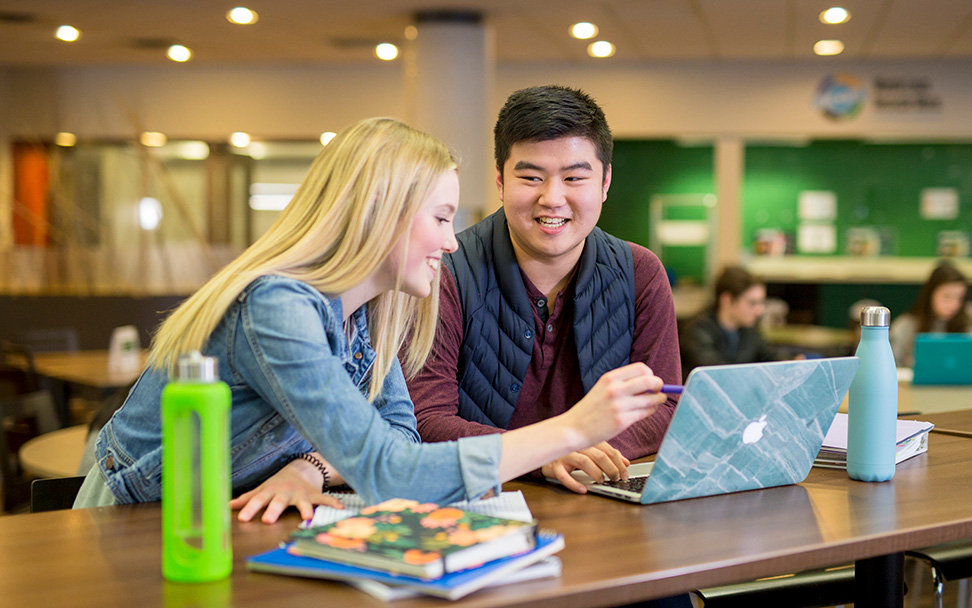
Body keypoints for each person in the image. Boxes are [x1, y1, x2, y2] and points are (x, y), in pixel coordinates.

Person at [72, 117, 667, 524]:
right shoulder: (276, 306)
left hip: (237, 515)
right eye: (439, 218)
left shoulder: (375, 311)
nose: (452, 242)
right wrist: (571, 430)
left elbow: (398, 437)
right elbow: (389, 470)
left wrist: (307, 469)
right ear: (380, 216)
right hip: (140, 522)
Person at [407, 85, 682, 493]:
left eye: (574, 177)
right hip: (482, 499)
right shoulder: (444, 270)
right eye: (531, 177)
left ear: (604, 182)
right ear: (500, 181)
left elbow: (663, 404)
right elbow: (425, 418)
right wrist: (545, 451)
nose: (552, 198)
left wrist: (584, 453)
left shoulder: (640, 272)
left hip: (599, 494)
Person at [678, 266, 782, 379]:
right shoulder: (696, 330)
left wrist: (791, 361)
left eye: (761, 302)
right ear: (727, 300)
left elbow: (768, 355)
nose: (759, 310)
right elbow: (718, 374)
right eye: (752, 303)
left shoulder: (748, 329)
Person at [890, 260, 972, 368]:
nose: (954, 304)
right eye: (947, 296)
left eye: (960, 298)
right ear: (930, 295)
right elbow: (891, 366)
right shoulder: (904, 327)